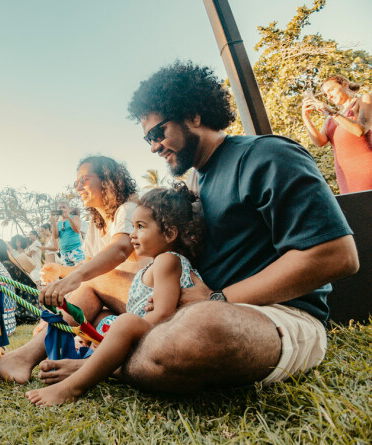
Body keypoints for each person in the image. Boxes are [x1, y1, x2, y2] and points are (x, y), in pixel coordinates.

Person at [108, 61, 358, 393]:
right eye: (148, 140)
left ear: (194, 115)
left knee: (199, 330)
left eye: (158, 133)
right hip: (201, 307)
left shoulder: (267, 155)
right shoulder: (194, 182)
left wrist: (216, 298)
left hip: (275, 316)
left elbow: (337, 255)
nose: (154, 146)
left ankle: (106, 358)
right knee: (93, 281)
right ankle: (51, 355)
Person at [27, 183, 203, 405]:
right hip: (144, 333)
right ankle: (91, 361)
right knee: (107, 320)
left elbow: (163, 315)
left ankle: (74, 385)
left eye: (140, 227)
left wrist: (122, 330)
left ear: (169, 233)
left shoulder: (168, 260)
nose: (133, 234)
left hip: (162, 335)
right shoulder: (156, 263)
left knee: (124, 322)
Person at [0, 156, 144, 383]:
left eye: (84, 179)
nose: (77, 187)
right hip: (119, 304)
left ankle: (21, 359)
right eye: (76, 182)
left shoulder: (127, 210)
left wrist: (74, 280)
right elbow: (87, 265)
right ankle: (85, 361)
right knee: (91, 320)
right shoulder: (96, 224)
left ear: (108, 180)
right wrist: (60, 270)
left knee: (82, 301)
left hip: (144, 294)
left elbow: (120, 250)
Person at [302, 75, 372, 193]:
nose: (329, 97)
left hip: (367, 170)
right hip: (345, 176)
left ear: (344, 84)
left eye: (330, 90)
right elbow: (319, 142)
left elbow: (360, 130)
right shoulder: (330, 119)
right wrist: (306, 117)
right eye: (325, 95)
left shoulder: (362, 100)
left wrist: (331, 112)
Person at [51, 202, 85, 266]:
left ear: (69, 209)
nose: (61, 209)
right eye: (59, 208)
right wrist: (54, 222)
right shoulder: (58, 223)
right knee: (70, 274)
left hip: (76, 249)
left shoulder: (75, 217)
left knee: (81, 270)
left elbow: (77, 230)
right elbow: (56, 236)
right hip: (64, 253)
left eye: (64, 207)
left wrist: (68, 217)